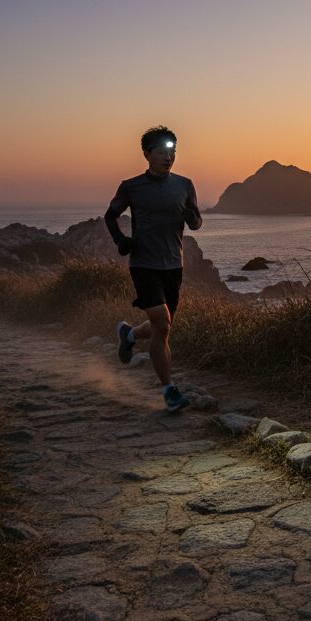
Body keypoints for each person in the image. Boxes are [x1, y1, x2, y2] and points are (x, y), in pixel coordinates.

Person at [105, 125, 202, 412]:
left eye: (171, 151)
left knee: (163, 326)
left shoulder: (185, 185)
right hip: (144, 263)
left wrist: (190, 215)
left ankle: (130, 334)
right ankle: (170, 390)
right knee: (162, 321)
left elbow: (196, 223)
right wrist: (121, 241)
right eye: (160, 151)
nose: (167, 157)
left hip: (174, 264)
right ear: (147, 154)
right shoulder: (131, 186)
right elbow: (110, 216)